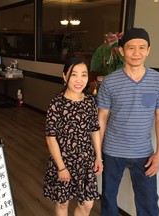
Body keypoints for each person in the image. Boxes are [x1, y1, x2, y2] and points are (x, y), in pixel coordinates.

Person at [97, 27, 159, 216]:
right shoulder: (109, 82)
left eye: (141, 47)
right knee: (108, 200)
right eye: (131, 48)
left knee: (148, 203)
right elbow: (102, 117)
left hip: (144, 153)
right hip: (112, 152)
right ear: (122, 51)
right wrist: (97, 154)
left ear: (148, 50)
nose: (136, 53)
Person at [43, 56, 103, 216]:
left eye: (83, 74)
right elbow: (50, 138)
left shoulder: (90, 101)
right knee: (63, 202)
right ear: (65, 76)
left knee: (87, 204)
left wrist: (98, 157)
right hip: (63, 161)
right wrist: (61, 167)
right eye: (73, 74)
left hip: (85, 161)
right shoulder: (56, 104)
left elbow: (95, 130)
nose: (79, 79)